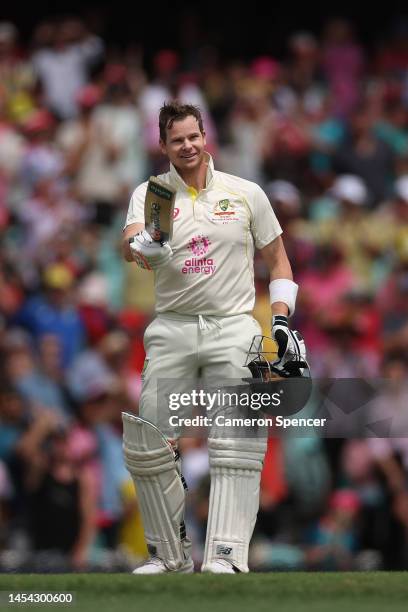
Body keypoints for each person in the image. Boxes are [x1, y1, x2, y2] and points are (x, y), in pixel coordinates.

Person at [121, 101, 302, 574]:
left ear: (206, 137)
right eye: (176, 139)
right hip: (173, 325)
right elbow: (133, 243)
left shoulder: (245, 193)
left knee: (238, 439)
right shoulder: (152, 193)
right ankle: (168, 557)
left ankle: (226, 555)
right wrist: (147, 246)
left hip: (234, 326)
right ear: (162, 145)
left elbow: (279, 262)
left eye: (192, 137)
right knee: (149, 442)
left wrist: (281, 322)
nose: (187, 146)